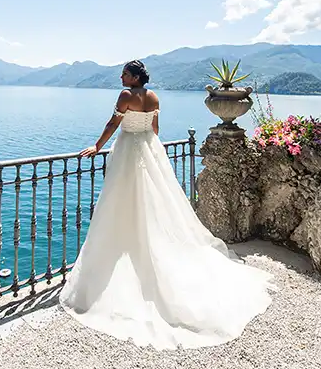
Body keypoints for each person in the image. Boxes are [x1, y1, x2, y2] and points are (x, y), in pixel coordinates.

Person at [59, 60, 274, 350]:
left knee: (121, 201)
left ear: (134, 77)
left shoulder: (125, 96)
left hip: (128, 150)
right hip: (149, 148)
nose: (121, 76)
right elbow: (155, 128)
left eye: (124, 73)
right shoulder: (154, 97)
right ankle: (145, 245)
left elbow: (114, 123)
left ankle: (127, 250)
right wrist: (146, 146)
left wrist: (98, 145)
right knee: (154, 202)